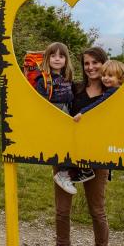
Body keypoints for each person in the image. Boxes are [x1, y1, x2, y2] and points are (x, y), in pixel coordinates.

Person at [50, 46, 110, 246]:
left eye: (95, 62)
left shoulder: (112, 93)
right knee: (62, 210)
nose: (91, 67)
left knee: (97, 210)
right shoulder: (74, 89)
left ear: (104, 63)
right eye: (87, 63)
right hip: (66, 157)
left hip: (97, 158)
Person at [35, 42, 79, 195]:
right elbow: (41, 102)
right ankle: (62, 173)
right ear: (47, 59)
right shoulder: (43, 80)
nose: (57, 59)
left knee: (73, 142)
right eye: (53, 56)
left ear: (66, 59)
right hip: (54, 115)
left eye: (61, 56)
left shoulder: (67, 78)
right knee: (63, 144)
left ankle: (73, 171)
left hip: (67, 113)